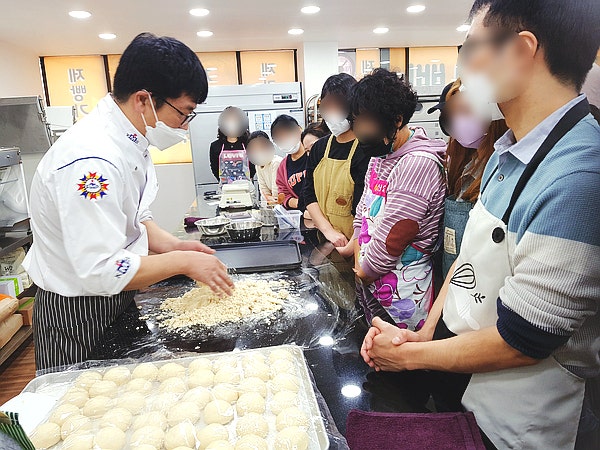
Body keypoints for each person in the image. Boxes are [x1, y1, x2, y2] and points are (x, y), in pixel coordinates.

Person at [361, 1, 600, 448]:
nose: (464, 65)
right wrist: (423, 334)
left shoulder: (578, 175)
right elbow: (466, 260)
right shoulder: (506, 152)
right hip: (469, 390)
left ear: (522, 50)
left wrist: (412, 358)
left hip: (525, 420)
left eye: (471, 47)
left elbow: (522, 339)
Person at [23, 33, 234, 373]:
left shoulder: (125, 141)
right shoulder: (93, 160)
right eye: (184, 113)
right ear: (143, 100)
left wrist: (176, 246)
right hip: (79, 310)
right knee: (82, 412)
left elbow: (134, 220)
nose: (184, 125)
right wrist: (181, 262)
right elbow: (100, 269)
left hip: (115, 298)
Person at [351, 68, 447, 331]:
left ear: (396, 119)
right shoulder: (380, 155)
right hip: (371, 277)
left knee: (403, 358)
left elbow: (393, 237)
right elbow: (362, 213)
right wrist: (360, 264)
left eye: (367, 121)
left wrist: (365, 271)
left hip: (403, 290)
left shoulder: (417, 164)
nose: (360, 130)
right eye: (356, 121)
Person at [429, 79, 508, 278]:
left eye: (466, 112)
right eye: (453, 114)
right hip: (452, 275)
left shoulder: (499, 170)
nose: (458, 121)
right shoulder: (465, 162)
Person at [303, 74, 371, 258]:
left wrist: (349, 246)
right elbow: (309, 193)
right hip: (324, 240)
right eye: (326, 106)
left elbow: (365, 209)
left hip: (356, 245)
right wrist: (328, 232)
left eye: (338, 105)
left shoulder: (366, 150)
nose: (332, 112)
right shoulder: (319, 148)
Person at [209, 106, 255, 182]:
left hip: (246, 187)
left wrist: (248, 179)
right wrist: (224, 182)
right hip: (225, 188)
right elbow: (214, 167)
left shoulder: (249, 144)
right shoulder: (215, 146)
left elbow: (253, 165)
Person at [273, 115, 308, 211]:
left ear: (299, 130)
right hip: (300, 214)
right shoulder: (283, 166)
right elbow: (282, 194)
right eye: (280, 138)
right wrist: (299, 204)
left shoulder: (313, 154)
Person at [246, 130, 282, 203]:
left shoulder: (276, 162)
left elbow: (276, 194)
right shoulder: (258, 165)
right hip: (270, 205)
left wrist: (270, 198)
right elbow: (263, 190)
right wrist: (268, 198)